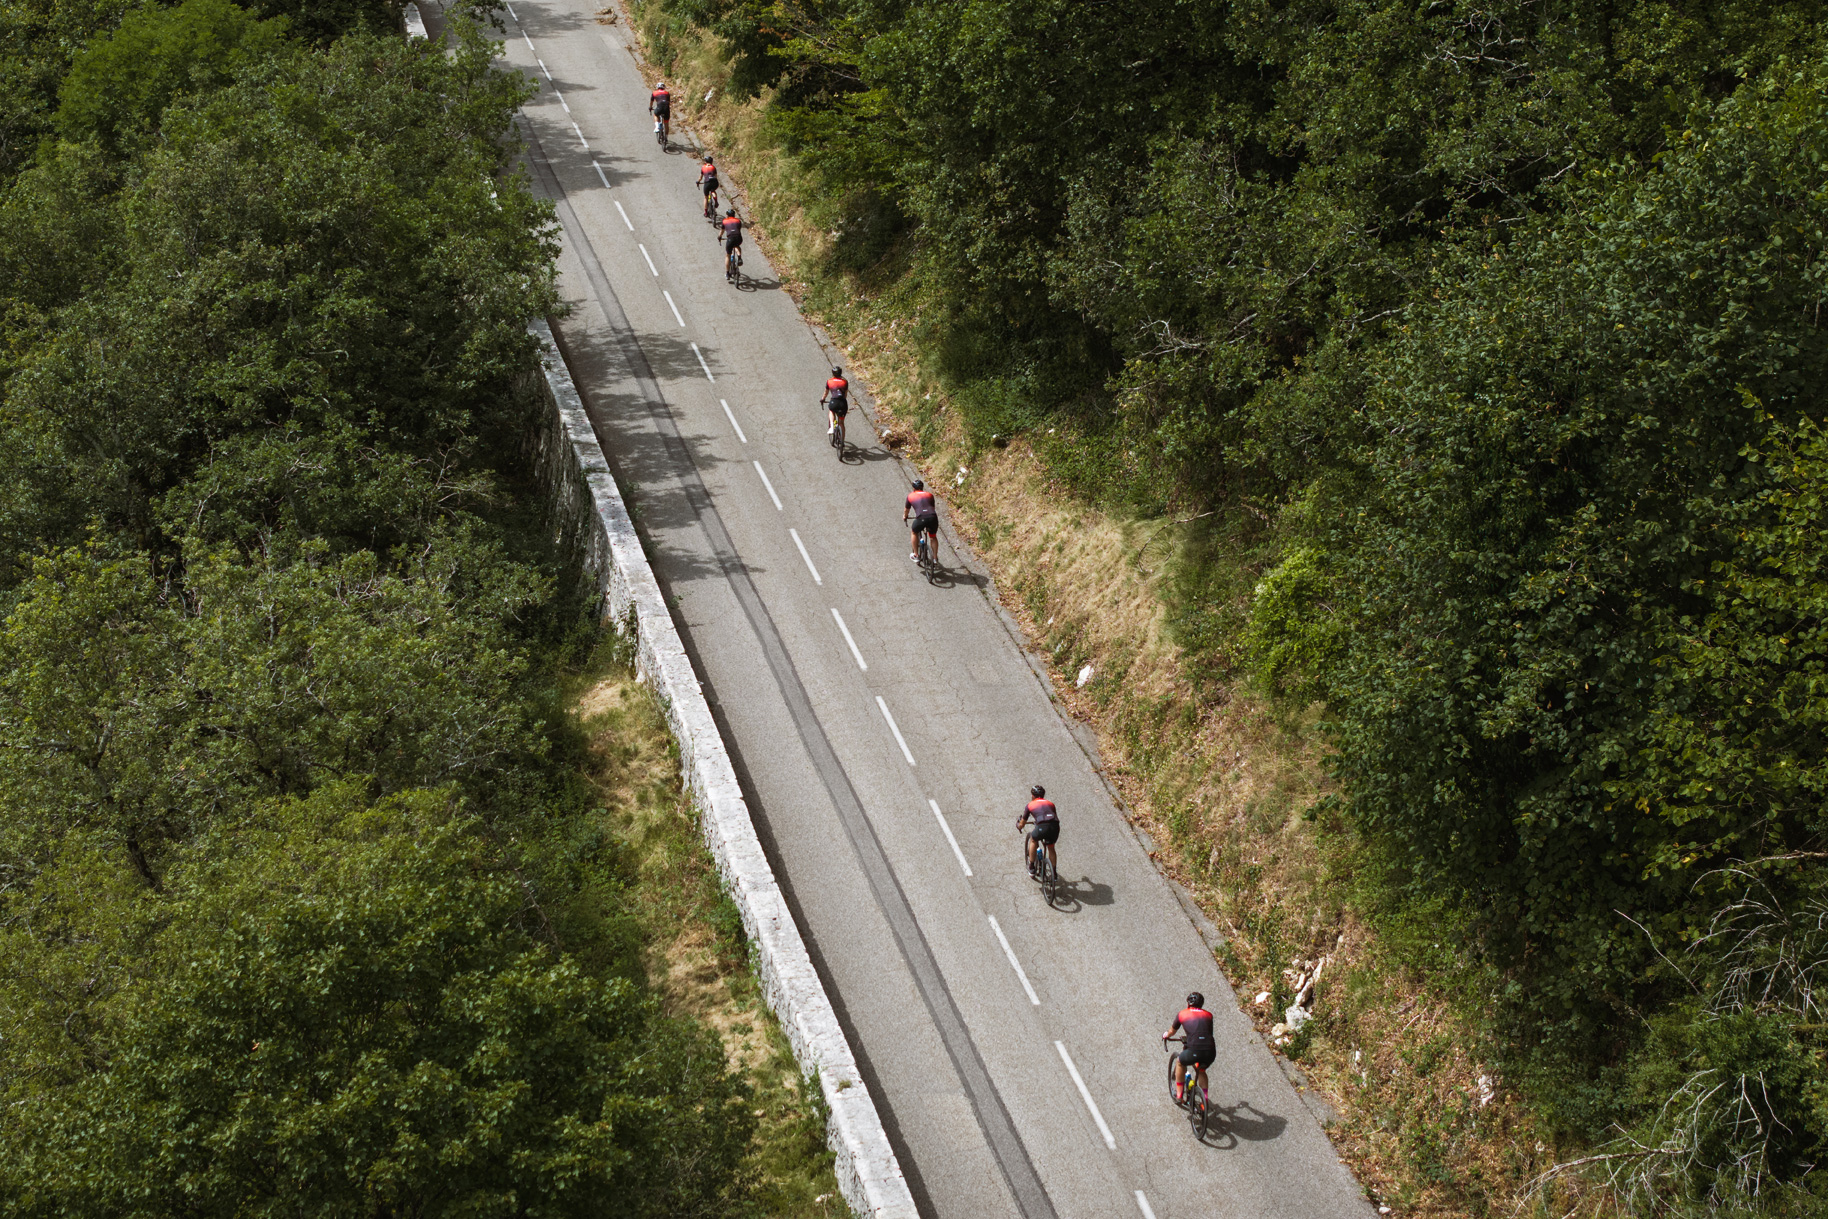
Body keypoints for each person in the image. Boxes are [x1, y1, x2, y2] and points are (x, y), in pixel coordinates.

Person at [1163, 993, 1216, 1105]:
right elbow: (1208, 1033)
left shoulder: (1183, 1014)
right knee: (1201, 1070)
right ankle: (1204, 1100)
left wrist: (1166, 1035)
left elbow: (1172, 1031)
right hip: (1210, 1051)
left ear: (1188, 1003)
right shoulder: (1209, 1015)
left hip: (1195, 1049)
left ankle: (1179, 1095)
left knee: (1180, 1062)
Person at [1016, 784, 1058, 877]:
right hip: (1054, 826)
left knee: (1033, 839)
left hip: (1042, 826)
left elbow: (1022, 824)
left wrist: (1018, 826)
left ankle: (1031, 867)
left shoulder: (1030, 805)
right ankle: (1054, 873)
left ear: (1033, 795)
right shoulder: (1051, 804)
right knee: (1051, 847)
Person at [904, 477, 937, 562]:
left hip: (921, 518)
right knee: (933, 537)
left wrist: (905, 516)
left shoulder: (910, 496)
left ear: (914, 488)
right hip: (932, 517)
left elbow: (906, 510)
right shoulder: (930, 495)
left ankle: (916, 555)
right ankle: (935, 558)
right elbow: (932, 507)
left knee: (914, 532)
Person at [822, 367, 849, 444]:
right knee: (841, 423)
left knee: (831, 411)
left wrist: (822, 399)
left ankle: (832, 427)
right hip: (843, 403)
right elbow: (845, 394)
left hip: (834, 402)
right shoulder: (845, 382)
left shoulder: (829, 381)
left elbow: (826, 393)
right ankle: (842, 441)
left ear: (833, 373)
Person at [718, 208, 743, 278]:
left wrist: (719, 237)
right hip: (738, 237)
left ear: (727, 215)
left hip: (730, 239)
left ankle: (727, 273)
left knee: (728, 255)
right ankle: (739, 256)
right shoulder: (738, 221)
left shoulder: (725, 221)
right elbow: (738, 229)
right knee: (736, 246)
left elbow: (722, 231)